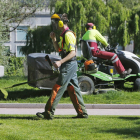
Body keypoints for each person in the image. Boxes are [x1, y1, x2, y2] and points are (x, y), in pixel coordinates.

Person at [36, 13, 88, 120]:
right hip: (70, 65)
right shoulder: (63, 35)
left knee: (58, 88)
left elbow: (73, 53)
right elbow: (59, 50)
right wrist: (54, 39)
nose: (54, 25)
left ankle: (48, 113)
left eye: (55, 22)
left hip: (69, 64)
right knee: (73, 89)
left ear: (60, 22)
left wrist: (60, 62)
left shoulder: (68, 35)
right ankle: (82, 113)